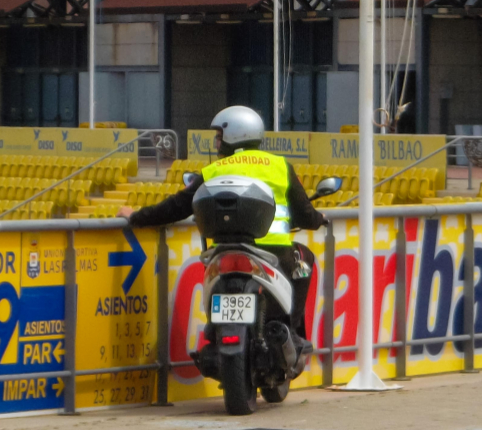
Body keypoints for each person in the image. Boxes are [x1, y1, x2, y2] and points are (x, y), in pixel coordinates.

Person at [118, 106, 327, 341]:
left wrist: (136, 216)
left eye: (219, 138)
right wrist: (319, 219)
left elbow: (175, 207)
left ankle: (214, 328)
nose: (217, 144)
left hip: (224, 250)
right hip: (275, 252)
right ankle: (292, 331)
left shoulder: (215, 170)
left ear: (234, 136)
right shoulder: (280, 166)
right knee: (304, 260)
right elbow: (305, 215)